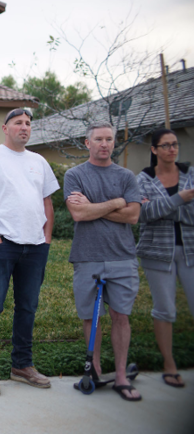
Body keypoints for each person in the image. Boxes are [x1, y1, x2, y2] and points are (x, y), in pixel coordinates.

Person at [0, 108, 59, 396]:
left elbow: (47, 202)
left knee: (28, 307)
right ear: (5, 128)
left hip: (34, 248)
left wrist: (45, 240)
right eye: (18, 123)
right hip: (2, 245)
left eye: (28, 123)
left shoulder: (39, 161)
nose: (24, 127)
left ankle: (22, 365)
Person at [64, 122, 142, 402]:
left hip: (122, 256)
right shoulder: (75, 175)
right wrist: (117, 202)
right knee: (91, 318)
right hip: (87, 257)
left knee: (121, 317)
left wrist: (94, 205)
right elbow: (78, 214)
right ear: (87, 143)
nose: (104, 144)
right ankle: (94, 370)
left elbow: (133, 216)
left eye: (109, 139)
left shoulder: (126, 176)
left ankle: (121, 376)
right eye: (98, 139)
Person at [136, 128, 194, 388]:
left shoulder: (190, 174)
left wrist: (165, 207)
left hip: (191, 251)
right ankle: (169, 365)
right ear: (154, 150)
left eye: (175, 144)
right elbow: (143, 214)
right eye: (166, 145)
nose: (172, 149)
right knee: (165, 309)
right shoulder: (144, 179)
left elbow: (157, 210)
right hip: (157, 252)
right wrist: (180, 199)